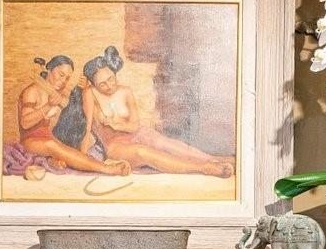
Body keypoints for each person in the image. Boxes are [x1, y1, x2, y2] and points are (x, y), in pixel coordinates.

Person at [80, 46, 234, 178]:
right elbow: (87, 129)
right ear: (93, 85)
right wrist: (83, 157)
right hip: (115, 145)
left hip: (135, 133)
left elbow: (134, 126)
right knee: (143, 152)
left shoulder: (125, 92)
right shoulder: (90, 93)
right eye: (102, 84)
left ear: (114, 73)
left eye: (111, 78)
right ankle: (202, 168)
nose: (109, 85)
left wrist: (115, 124)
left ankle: (213, 158)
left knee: (163, 143)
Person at [16, 54, 130, 176]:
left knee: (68, 151)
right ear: (49, 69)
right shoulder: (32, 91)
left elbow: (71, 104)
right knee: (52, 146)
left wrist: (81, 89)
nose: (63, 81)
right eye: (61, 75)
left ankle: (50, 161)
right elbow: (25, 123)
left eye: (67, 78)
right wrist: (48, 106)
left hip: (46, 137)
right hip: (30, 141)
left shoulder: (52, 91)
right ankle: (107, 169)